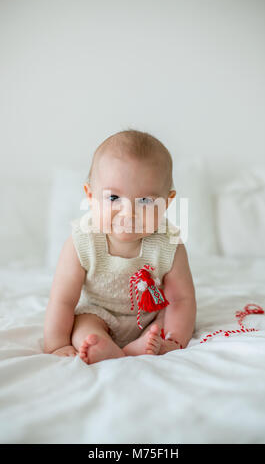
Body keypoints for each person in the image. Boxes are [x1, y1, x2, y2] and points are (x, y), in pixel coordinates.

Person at [43, 129, 196, 364]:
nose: (129, 213)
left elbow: (181, 299)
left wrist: (175, 340)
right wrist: (57, 344)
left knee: (171, 317)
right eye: (114, 198)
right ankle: (102, 345)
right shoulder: (83, 242)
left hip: (150, 316)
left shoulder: (169, 244)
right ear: (90, 195)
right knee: (83, 326)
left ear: (167, 202)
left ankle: (147, 344)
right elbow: (63, 300)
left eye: (145, 201)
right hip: (100, 313)